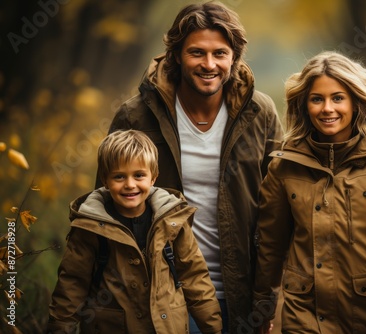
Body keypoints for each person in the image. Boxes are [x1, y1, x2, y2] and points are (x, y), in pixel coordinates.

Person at [99, 1, 283, 333]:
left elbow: (277, 210)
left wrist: (265, 299)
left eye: (220, 54)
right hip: (163, 294)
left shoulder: (261, 112)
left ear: (234, 57)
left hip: (239, 295)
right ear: (177, 55)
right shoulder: (136, 116)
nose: (209, 64)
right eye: (197, 53)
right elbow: (103, 210)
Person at [253, 51, 366, 334]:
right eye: (317, 99)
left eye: (338, 98)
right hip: (303, 313)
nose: (327, 108)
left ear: (356, 102)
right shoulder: (284, 166)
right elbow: (271, 245)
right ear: (304, 105)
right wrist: (262, 305)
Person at [47, 130, 222, 334]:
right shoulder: (89, 226)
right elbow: (72, 283)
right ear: (105, 179)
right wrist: (59, 327)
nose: (130, 185)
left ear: (153, 177)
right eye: (119, 176)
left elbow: (194, 275)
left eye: (139, 175)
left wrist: (213, 328)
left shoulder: (172, 220)